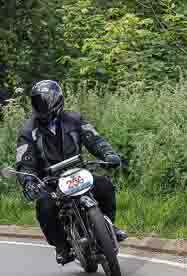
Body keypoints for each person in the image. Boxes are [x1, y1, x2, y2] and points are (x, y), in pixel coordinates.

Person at [14, 80, 128, 264]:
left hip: (77, 173)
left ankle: (109, 227)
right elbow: (24, 161)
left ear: (56, 101)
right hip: (50, 181)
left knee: (105, 186)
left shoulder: (74, 119)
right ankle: (61, 245)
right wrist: (28, 181)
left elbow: (94, 139)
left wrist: (108, 154)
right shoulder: (28, 131)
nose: (39, 106)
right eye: (36, 102)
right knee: (45, 205)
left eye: (43, 102)